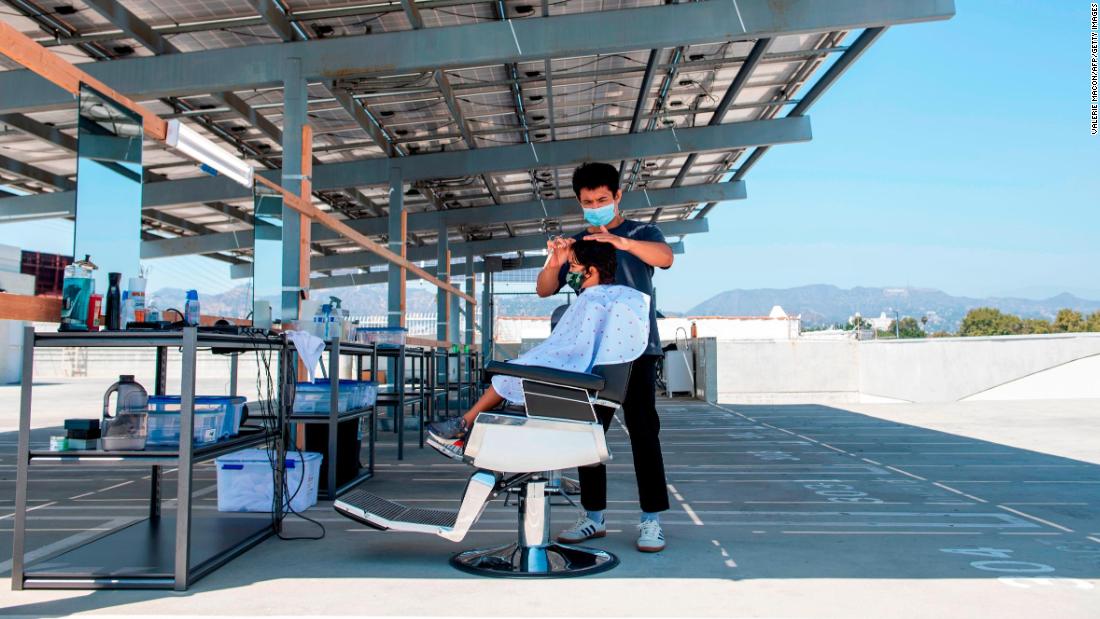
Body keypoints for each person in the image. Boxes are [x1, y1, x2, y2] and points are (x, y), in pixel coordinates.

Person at [538, 161, 673, 553]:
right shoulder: (579, 242)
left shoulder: (642, 233)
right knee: (588, 435)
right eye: (587, 201)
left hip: (637, 352)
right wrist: (557, 260)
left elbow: (665, 258)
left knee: (645, 434)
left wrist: (623, 243)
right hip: (592, 355)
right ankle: (593, 517)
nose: (594, 205)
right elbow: (545, 289)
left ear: (617, 196)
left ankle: (652, 521)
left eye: (601, 199)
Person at [428, 239, 649, 439]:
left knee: (507, 374)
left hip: (571, 379)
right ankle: (468, 427)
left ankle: (465, 423)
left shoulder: (591, 302)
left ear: (590, 271)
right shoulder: (611, 299)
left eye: (572, 267)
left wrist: (534, 361)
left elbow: (573, 350)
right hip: (582, 379)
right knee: (514, 371)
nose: (569, 272)